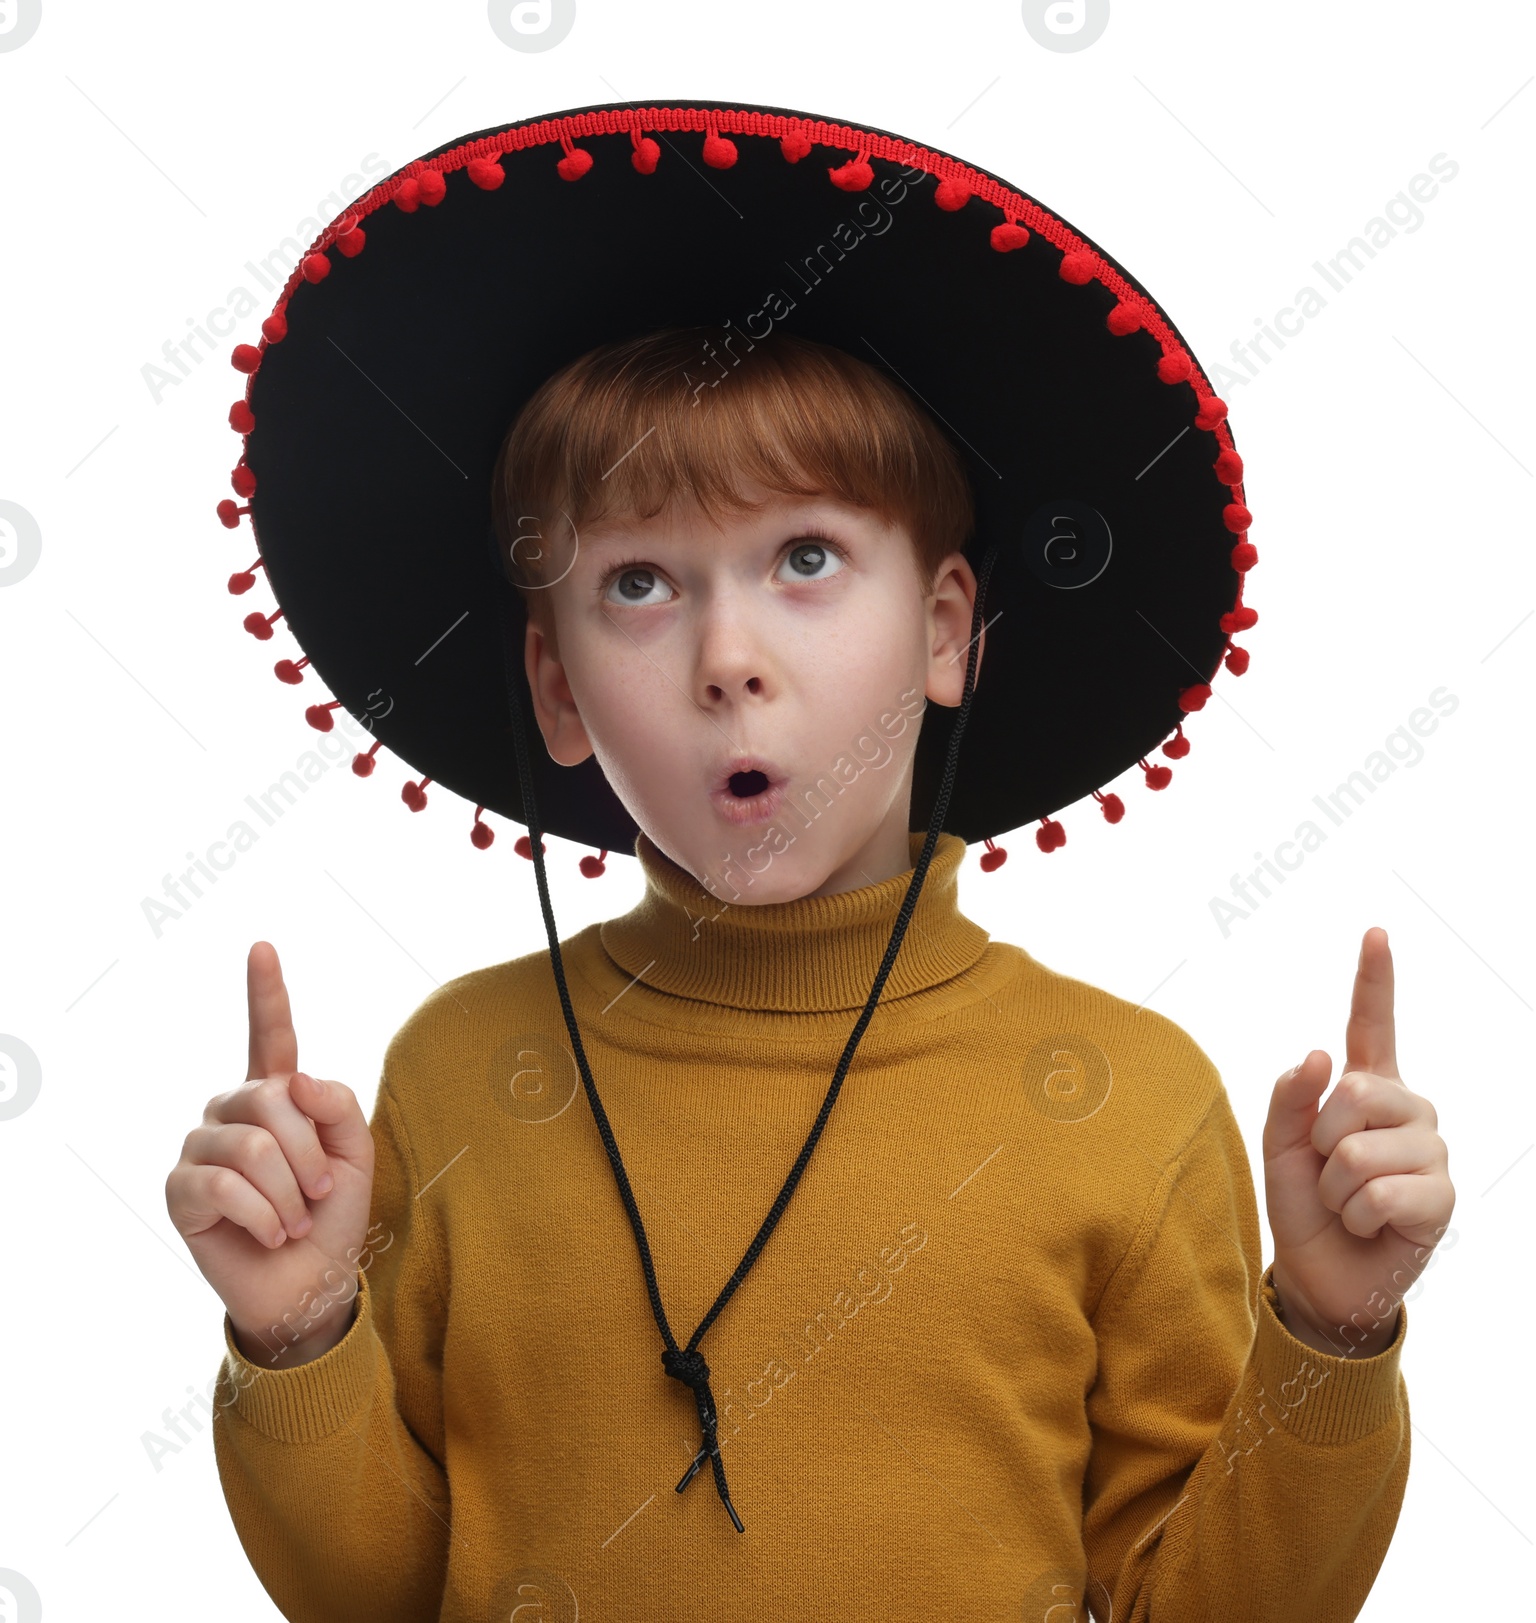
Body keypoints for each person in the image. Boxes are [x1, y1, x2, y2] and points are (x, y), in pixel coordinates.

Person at [165, 102, 1454, 1622]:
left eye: (806, 561)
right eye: (639, 584)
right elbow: (382, 1595)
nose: (729, 659)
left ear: (949, 627)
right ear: (559, 690)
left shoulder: (1127, 1099)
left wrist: (1330, 1332)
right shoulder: (458, 1076)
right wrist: (300, 1339)